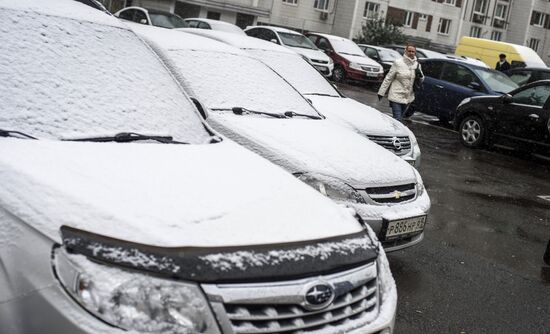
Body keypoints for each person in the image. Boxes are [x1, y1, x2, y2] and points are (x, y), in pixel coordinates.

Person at [377, 43, 423, 122]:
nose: (411, 53)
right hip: (396, 95)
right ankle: (395, 133)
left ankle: (392, 131)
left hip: (408, 97)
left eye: (413, 51)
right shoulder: (398, 63)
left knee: (399, 120)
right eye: (409, 51)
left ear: (415, 53)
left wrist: (420, 75)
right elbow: (388, 78)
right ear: (405, 51)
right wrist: (381, 92)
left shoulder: (417, 65)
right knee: (397, 119)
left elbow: (421, 79)